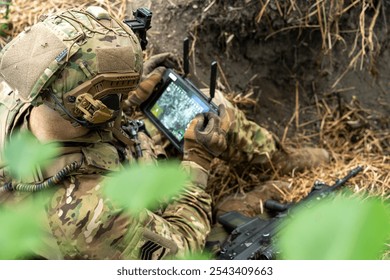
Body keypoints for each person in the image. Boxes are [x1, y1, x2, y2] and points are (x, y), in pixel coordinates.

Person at [0, 6, 328, 259]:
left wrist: (123, 100)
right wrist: (197, 164)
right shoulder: (89, 214)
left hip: (101, 161)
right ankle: (264, 194)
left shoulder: (25, 90)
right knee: (229, 231)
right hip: (106, 236)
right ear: (93, 108)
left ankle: (281, 159)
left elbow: (72, 103)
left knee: (202, 110)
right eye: (119, 93)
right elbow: (177, 253)